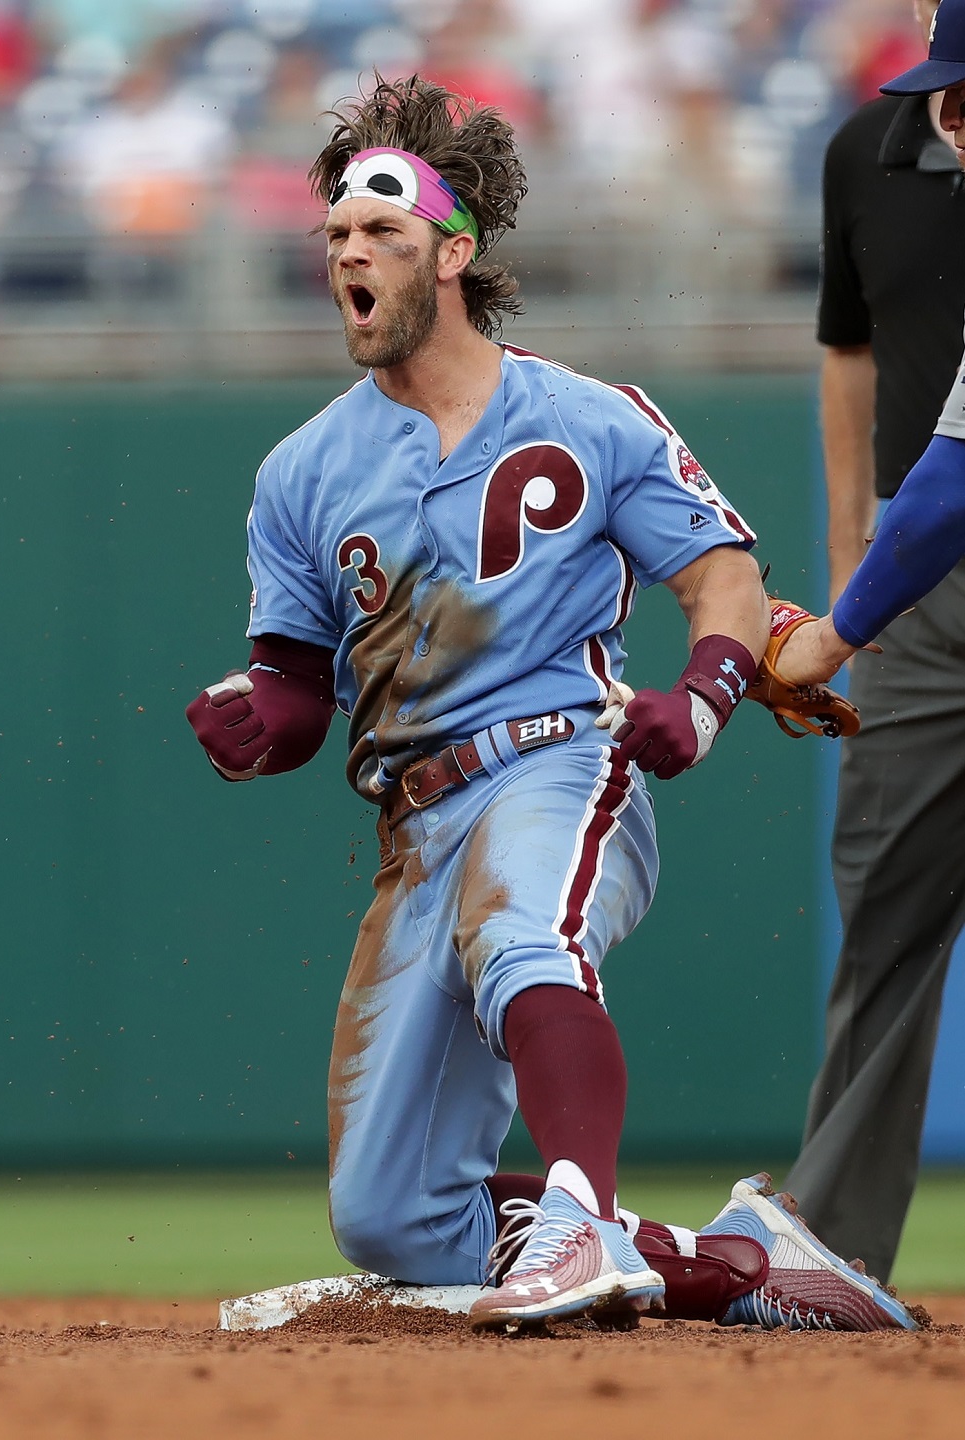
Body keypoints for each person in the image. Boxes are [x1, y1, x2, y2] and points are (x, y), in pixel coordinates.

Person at [186, 74, 916, 1334]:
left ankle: (576, 1220)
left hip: (556, 758)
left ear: (455, 251)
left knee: (525, 936)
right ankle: (739, 1262)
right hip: (414, 824)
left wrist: (706, 691)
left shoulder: (588, 417)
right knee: (394, 1215)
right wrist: (264, 721)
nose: (349, 256)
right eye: (337, 239)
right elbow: (299, 685)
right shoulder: (300, 470)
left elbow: (723, 576)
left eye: (383, 234)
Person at [779, 0, 965, 1287]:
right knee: (884, 910)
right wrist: (857, 576)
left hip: (908, 565)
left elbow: (955, 479)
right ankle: (830, 1258)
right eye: (948, 89)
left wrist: (837, 631)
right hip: (920, 595)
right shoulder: (874, 149)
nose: (953, 115)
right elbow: (851, 354)